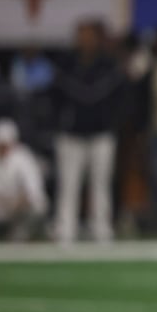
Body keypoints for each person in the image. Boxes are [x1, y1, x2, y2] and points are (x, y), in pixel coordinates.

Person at [51, 19, 126, 245]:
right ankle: (66, 229)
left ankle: (101, 229)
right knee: (68, 184)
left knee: (101, 183)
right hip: (71, 134)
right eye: (80, 35)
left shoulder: (108, 65)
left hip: (101, 133)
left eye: (89, 35)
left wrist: (112, 124)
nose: (84, 40)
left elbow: (117, 101)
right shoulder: (66, 64)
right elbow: (55, 99)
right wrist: (60, 124)